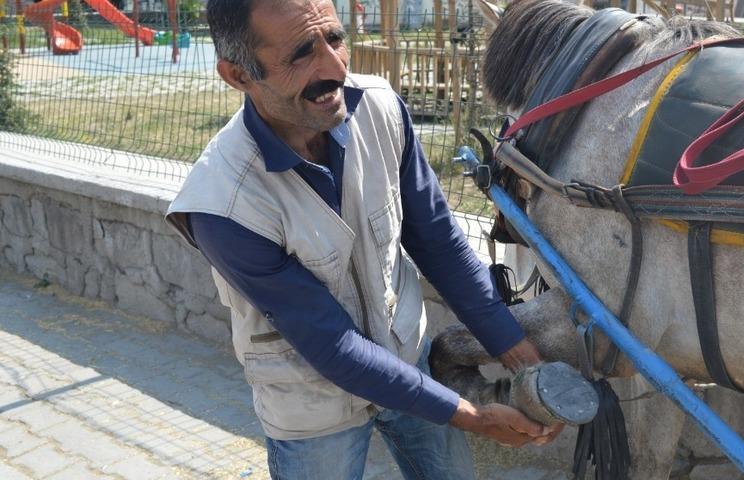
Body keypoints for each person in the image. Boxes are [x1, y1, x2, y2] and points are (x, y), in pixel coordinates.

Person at [165, 0, 561, 478]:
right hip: (312, 405)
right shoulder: (222, 204)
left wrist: (522, 357)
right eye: (302, 53)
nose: (334, 67)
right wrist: (474, 417)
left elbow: (437, 241)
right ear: (238, 76)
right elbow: (332, 345)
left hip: (407, 359)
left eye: (334, 38)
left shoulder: (379, 107)